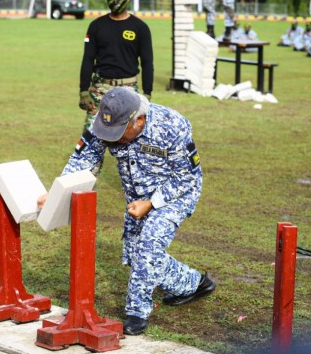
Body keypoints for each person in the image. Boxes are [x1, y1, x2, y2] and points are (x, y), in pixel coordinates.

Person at [38, 87, 214, 336]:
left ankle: (136, 312)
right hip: (136, 198)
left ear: (139, 119)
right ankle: (195, 284)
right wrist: (57, 192)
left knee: (148, 245)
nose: (114, 138)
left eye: (121, 132)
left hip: (175, 194)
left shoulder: (172, 125)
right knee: (138, 257)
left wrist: (152, 203)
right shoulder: (105, 123)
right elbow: (83, 160)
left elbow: (186, 176)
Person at [78, 0, 153, 134]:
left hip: (130, 88)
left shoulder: (140, 28)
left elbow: (147, 63)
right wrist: (84, 91)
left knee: (130, 133)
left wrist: (147, 92)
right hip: (100, 88)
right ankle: (92, 159)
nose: (115, 0)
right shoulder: (96, 26)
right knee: (91, 135)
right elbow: (87, 59)